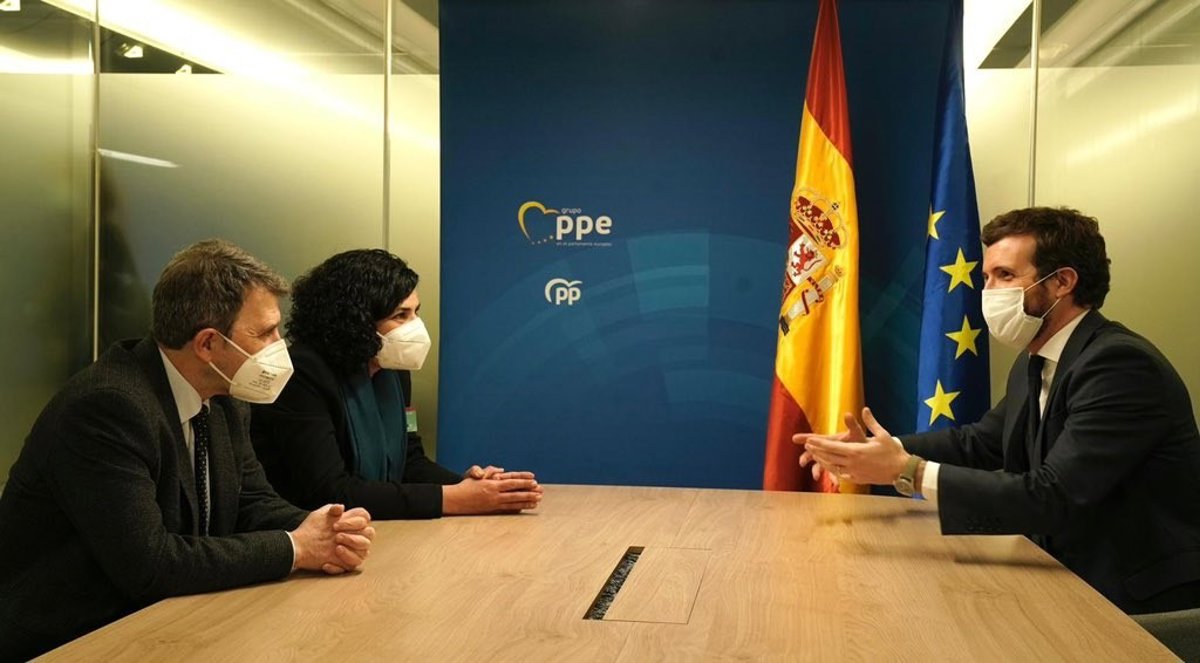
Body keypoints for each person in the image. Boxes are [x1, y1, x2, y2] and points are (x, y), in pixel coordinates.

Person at [798, 207, 1200, 614]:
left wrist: (908, 471)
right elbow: (980, 443)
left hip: (1140, 603)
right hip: (1065, 578)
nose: (989, 292)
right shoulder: (1036, 360)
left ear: (1062, 282)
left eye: (1005, 275)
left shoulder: (1118, 364)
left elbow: (1053, 497)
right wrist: (875, 450)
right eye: (986, 278)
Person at [0, 240, 376, 660]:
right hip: (70, 639)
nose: (280, 345)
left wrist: (325, 530)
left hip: (166, 621)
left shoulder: (225, 395)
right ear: (208, 344)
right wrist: (296, 547)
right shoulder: (107, 407)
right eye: (264, 333)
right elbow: (151, 563)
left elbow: (251, 500)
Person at [250, 249, 542, 519]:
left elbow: (408, 461)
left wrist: (470, 487)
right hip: (308, 532)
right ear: (356, 322)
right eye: (401, 315)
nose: (415, 326)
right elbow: (330, 491)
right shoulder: (301, 374)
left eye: (416, 312)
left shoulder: (392, 368)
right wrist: (453, 498)